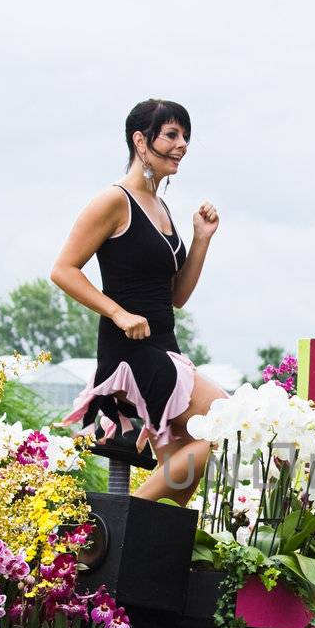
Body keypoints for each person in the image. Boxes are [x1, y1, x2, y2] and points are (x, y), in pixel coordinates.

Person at [54, 98, 224, 505]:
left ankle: (144, 555)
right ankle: (118, 531)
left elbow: (176, 297)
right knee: (223, 426)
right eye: (171, 135)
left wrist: (200, 240)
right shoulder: (115, 200)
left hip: (165, 345)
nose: (182, 145)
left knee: (182, 470)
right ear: (140, 141)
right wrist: (118, 312)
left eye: (185, 136)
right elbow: (63, 269)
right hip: (132, 352)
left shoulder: (161, 207)